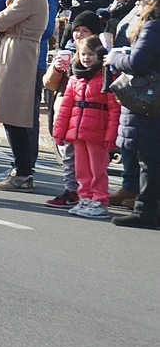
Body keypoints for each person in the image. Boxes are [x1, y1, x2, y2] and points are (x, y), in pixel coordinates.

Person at [0, 0, 50, 192]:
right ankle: (20, 169)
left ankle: (22, 172)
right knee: (12, 116)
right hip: (14, 51)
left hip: (18, 54)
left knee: (14, 116)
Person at [51, 35, 118, 220]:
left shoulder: (106, 77)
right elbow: (65, 108)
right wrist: (59, 132)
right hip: (78, 132)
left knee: (98, 169)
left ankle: (100, 200)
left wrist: (111, 136)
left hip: (98, 132)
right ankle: (86, 197)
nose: (86, 58)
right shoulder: (74, 79)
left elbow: (114, 110)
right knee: (82, 169)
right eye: (83, 54)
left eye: (90, 54)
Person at [110, 0, 160, 228]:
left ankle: (146, 212)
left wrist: (115, 56)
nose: (137, 3)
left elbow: (136, 63)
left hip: (150, 100)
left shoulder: (153, 27)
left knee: (149, 159)